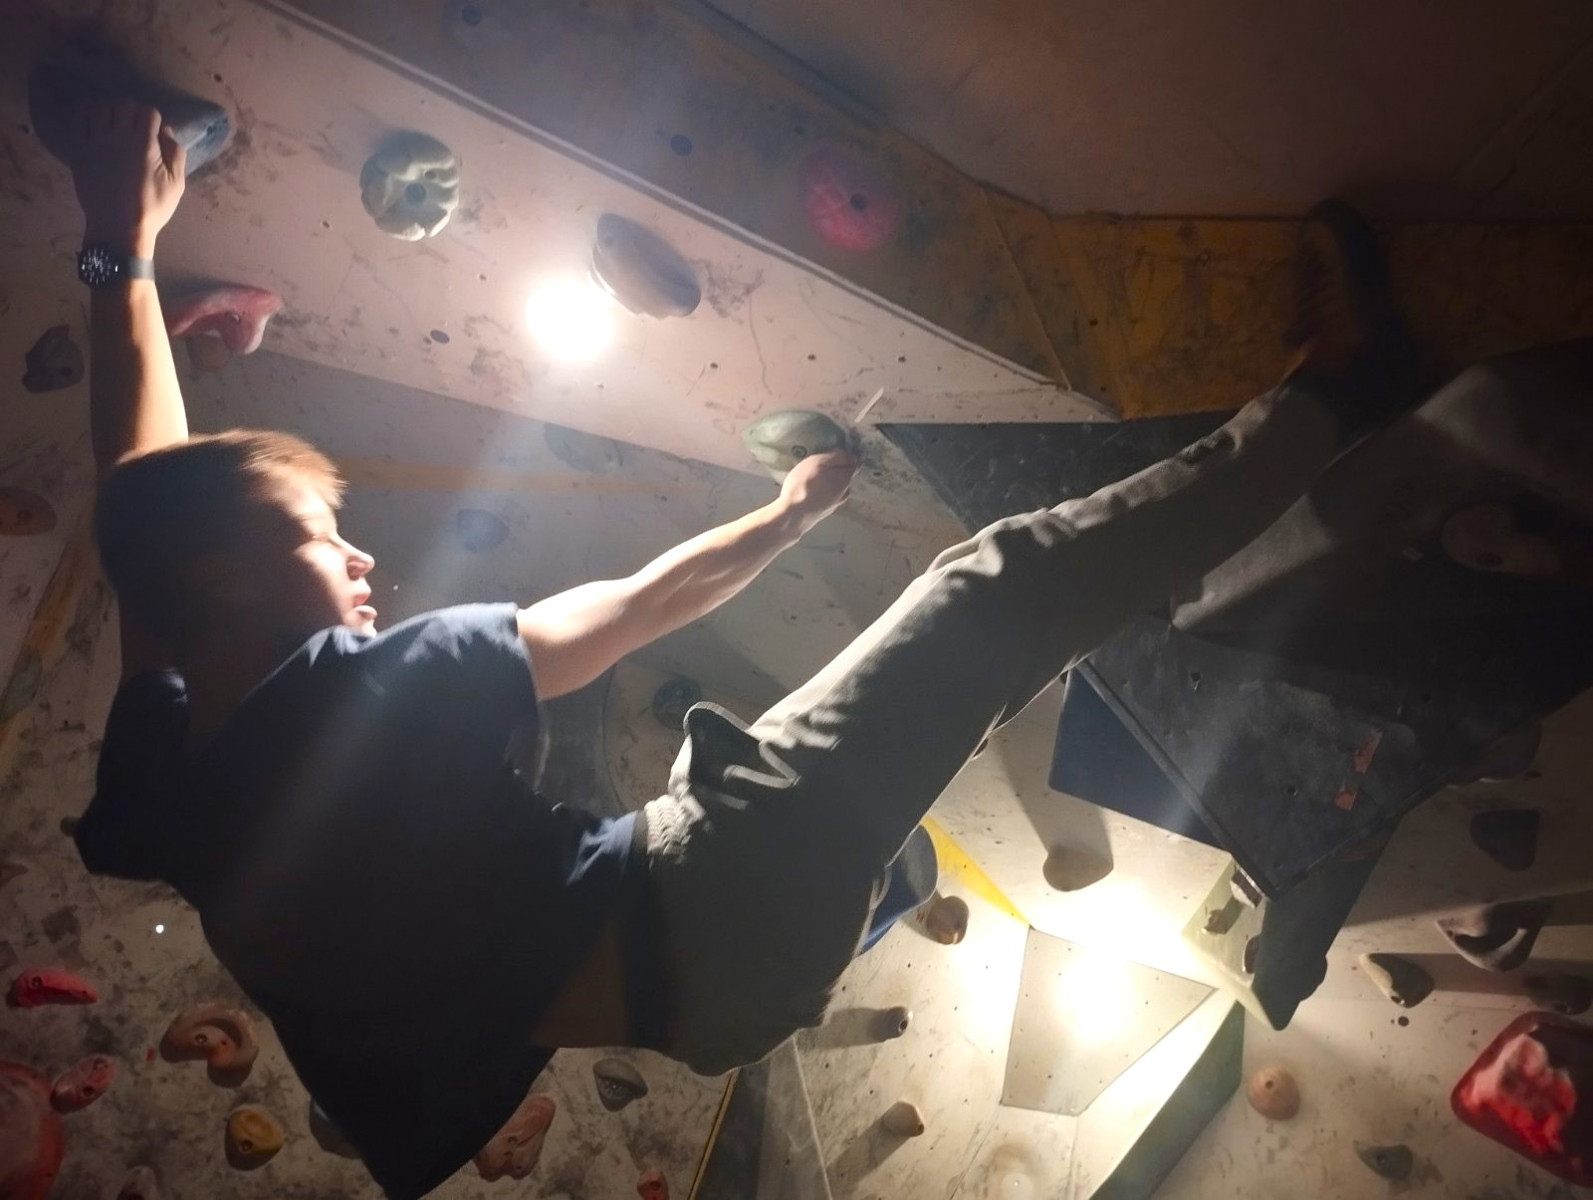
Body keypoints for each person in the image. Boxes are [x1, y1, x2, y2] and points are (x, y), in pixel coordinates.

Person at [68, 102, 1412, 1198]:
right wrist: (790, 510)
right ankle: (1336, 396)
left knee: (928, 727)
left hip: (706, 1011)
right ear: (225, 581)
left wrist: (120, 244)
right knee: (993, 592)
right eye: (322, 536)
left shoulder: (176, 788)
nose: (362, 562)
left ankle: (883, 872)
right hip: (716, 888)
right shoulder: (360, 692)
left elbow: (150, 506)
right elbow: (640, 605)